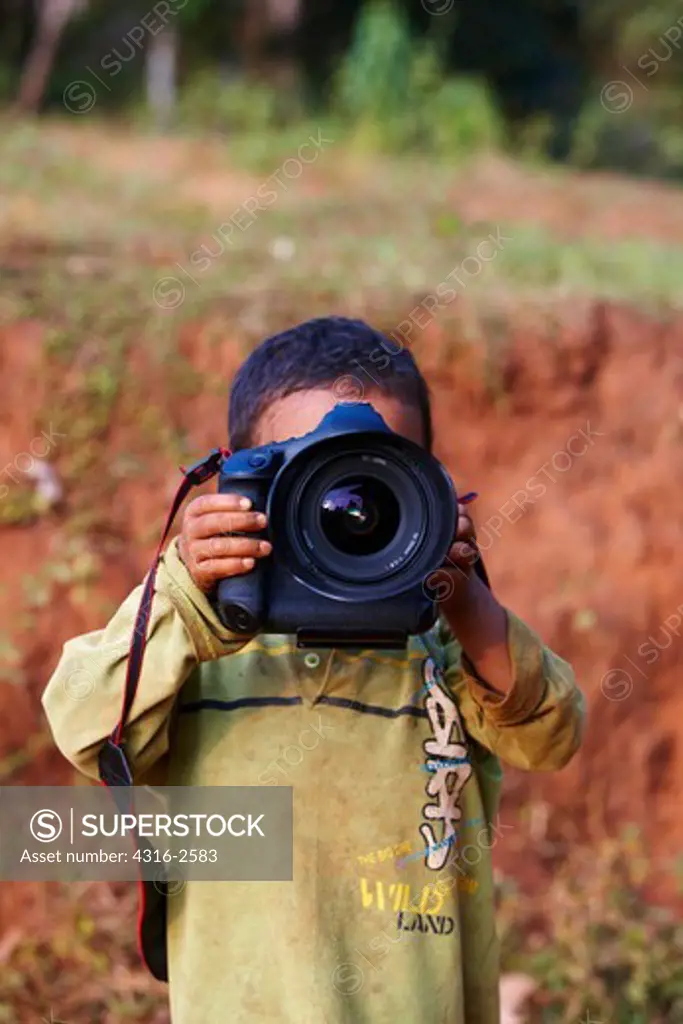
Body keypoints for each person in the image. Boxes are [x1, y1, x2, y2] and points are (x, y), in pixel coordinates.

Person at [42, 316, 584, 1023]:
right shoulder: (197, 647)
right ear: (243, 480)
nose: (347, 504)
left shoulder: (445, 652)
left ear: (427, 481)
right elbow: (82, 726)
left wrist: (463, 593)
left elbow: (551, 735)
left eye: (376, 470)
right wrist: (184, 592)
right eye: (307, 466)